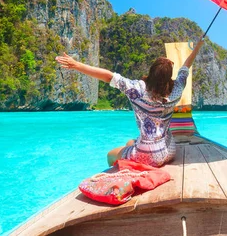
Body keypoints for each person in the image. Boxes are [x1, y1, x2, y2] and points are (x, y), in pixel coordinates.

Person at [55, 39, 204, 167]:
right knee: (129, 142)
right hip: (169, 150)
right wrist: (197, 47)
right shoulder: (175, 92)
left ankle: (123, 177)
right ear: (168, 78)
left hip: (148, 156)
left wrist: (76, 65)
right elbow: (185, 68)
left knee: (110, 155)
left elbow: (108, 77)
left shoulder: (137, 89)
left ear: (151, 72)